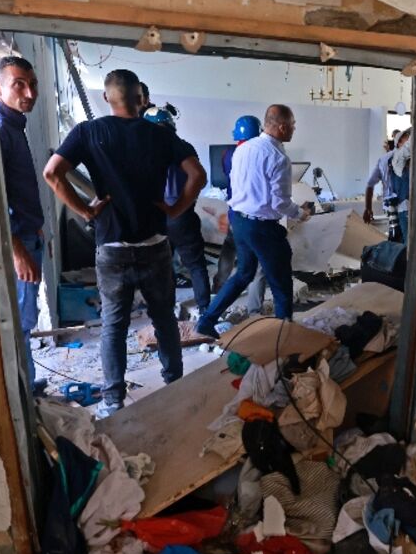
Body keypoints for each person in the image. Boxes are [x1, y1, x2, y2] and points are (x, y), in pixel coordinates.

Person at [43, 69, 207, 418]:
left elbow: (52, 173)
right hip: (154, 244)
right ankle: (175, 384)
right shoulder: (161, 135)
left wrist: (86, 211)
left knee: (114, 326)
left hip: (112, 247)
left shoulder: (88, 132)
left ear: (107, 97)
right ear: (141, 99)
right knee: (164, 318)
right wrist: (175, 209)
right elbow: (198, 175)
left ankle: (113, 400)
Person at [197, 104, 310, 336]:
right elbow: (280, 203)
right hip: (262, 228)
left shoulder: (243, 149)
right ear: (282, 127)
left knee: (243, 274)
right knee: (280, 281)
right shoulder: (278, 157)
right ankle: (284, 333)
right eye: (292, 125)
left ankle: (206, 320)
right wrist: (300, 213)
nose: (294, 129)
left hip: (239, 222)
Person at [0, 55, 48, 395]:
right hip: (18, 243)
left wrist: (35, 227)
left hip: (28, 235)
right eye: (19, 85)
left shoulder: (14, 125)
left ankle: (27, 385)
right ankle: (24, 396)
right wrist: (17, 251)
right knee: (20, 324)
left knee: (26, 318)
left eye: (33, 84)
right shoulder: (0, 129)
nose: (29, 93)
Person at [138, 87, 213, 317]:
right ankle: (205, 312)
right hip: (180, 215)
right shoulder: (183, 146)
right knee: (196, 265)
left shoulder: (143, 151)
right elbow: (199, 177)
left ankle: (164, 313)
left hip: (156, 216)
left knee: (160, 267)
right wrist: (181, 206)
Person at [212, 115, 269, 318]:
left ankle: (217, 288)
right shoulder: (259, 156)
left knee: (229, 249)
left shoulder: (228, 154)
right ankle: (254, 312)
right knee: (258, 266)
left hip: (234, 212)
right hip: (253, 218)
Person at [364, 127, 412, 243]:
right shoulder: (398, 157)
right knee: (405, 240)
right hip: (402, 205)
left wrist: (368, 208)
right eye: (406, 139)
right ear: (399, 143)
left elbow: (370, 184)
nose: (408, 140)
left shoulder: (384, 159)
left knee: (396, 236)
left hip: (393, 206)